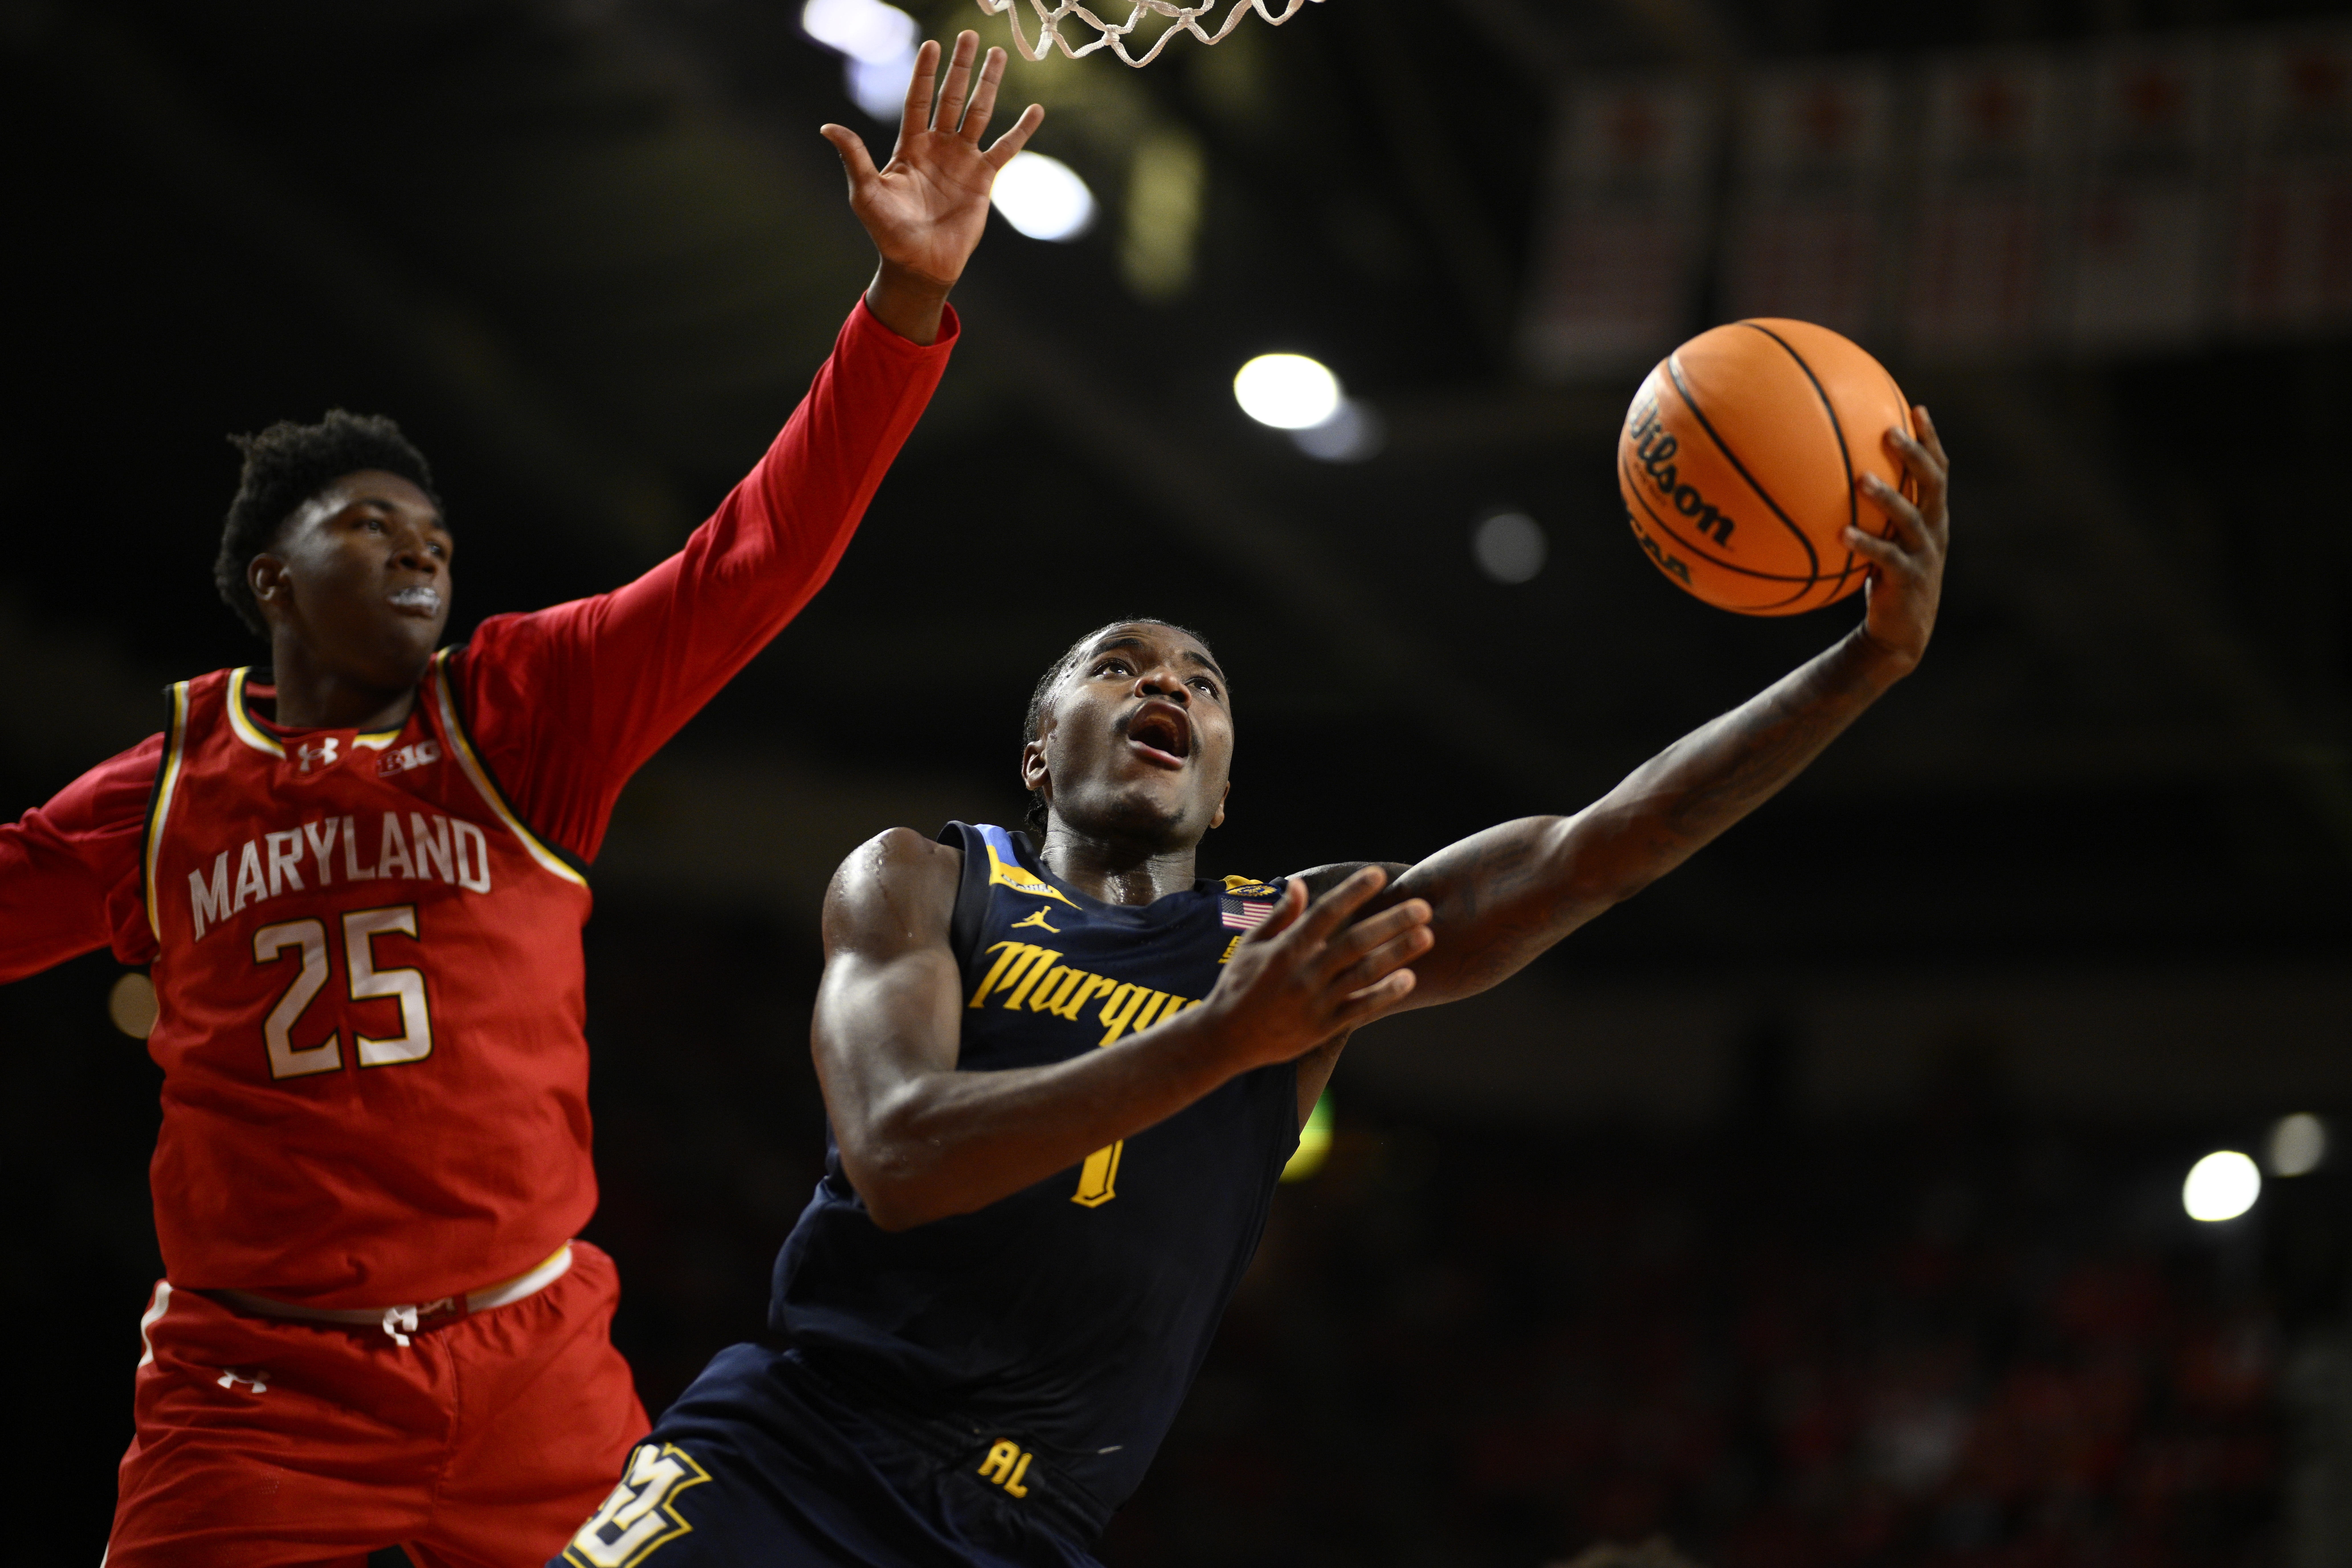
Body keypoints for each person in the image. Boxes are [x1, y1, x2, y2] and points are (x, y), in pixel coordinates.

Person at [557, 418, 1954, 1567]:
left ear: (1222, 787)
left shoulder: (1298, 930)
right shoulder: (923, 880)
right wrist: (1225, 1036)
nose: (1166, 680)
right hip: (797, 1452)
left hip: (1032, 1528)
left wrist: (1861, 666)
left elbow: (1598, 848)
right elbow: (903, 1155)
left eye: (1204, 684)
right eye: (1121, 665)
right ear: (1041, 752)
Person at [0, 34, 1040, 1568]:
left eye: (432, 533)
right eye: (373, 530)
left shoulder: (521, 709)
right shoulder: (159, 794)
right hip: (258, 1385)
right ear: (275, 582)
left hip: (527, 1358)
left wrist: (904, 303)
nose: (422, 554)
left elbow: (753, 558)